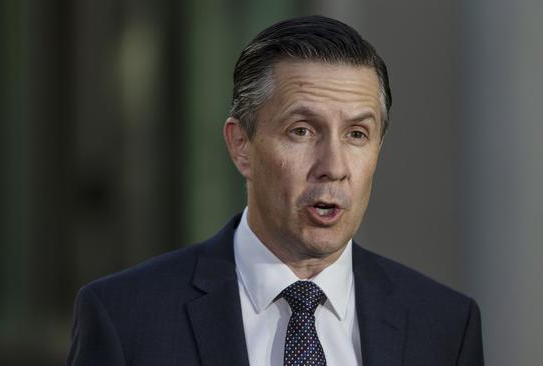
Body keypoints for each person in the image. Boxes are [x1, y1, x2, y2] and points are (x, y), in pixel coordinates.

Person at [67, 15, 484, 366]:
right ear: (241, 146)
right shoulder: (125, 319)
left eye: (357, 134)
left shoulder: (446, 325)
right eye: (301, 131)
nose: (334, 167)